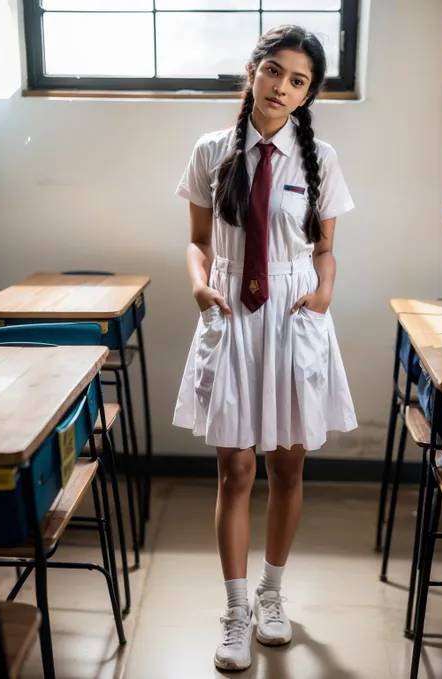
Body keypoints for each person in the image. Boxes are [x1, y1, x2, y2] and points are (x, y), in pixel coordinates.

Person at [173, 24, 357, 671]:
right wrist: (200, 286)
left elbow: (326, 247)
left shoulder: (320, 160)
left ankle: (272, 594)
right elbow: (198, 239)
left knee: (286, 467)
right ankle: (234, 608)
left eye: (298, 80)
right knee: (237, 469)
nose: (282, 86)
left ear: (309, 94)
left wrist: (323, 295)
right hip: (230, 311)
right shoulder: (211, 150)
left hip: (294, 313)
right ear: (253, 71)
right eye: (274, 70)